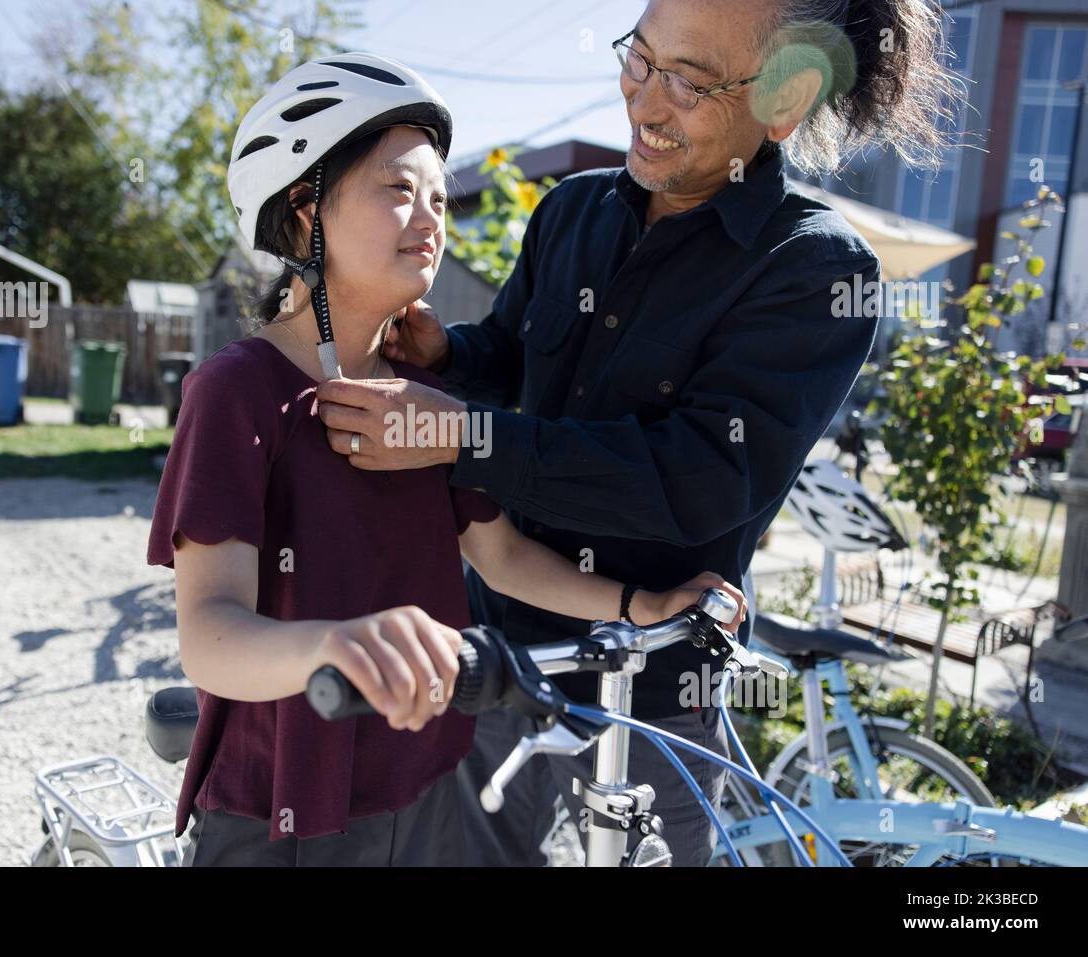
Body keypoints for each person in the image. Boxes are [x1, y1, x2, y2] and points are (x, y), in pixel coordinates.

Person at [313, 0, 959, 866]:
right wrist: (450, 352)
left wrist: (464, 436)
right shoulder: (571, 212)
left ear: (786, 100)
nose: (645, 103)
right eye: (639, 59)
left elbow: (695, 480)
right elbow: (512, 358)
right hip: (495, 656)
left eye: (688, 82)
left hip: (652, 692)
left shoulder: (815, 270)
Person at [145, 52, 746, 867]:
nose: (430, 218)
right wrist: (335, 644)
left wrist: (643, 602)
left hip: (427, 783)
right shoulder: (237, 390)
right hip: (281, 804)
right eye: (398, 190)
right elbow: (211, 634)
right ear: (302, 210)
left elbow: (499, 556)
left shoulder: (421, 399)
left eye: (438, 197)